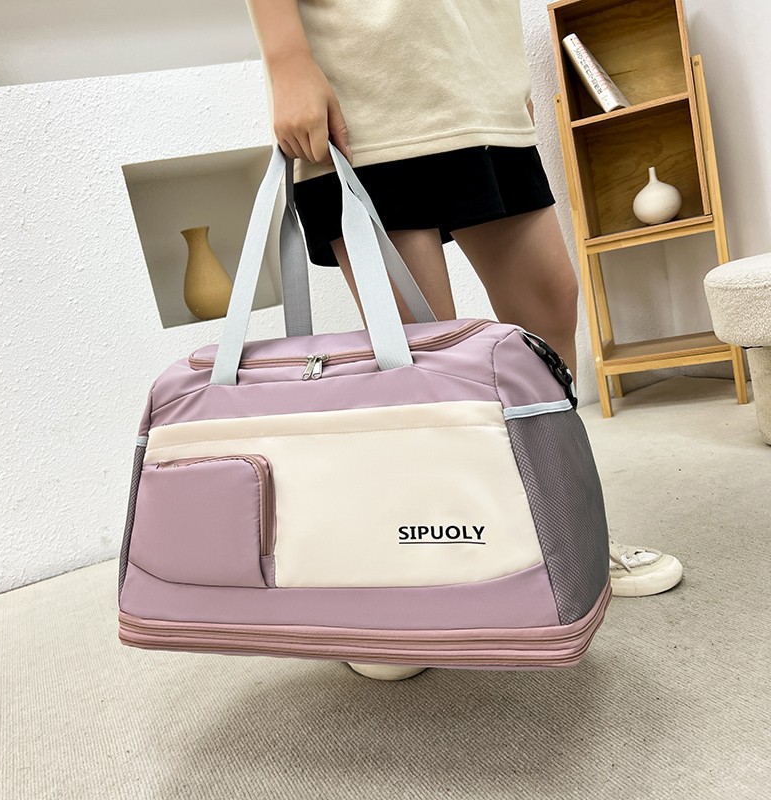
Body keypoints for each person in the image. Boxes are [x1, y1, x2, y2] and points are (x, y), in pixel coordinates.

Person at [245, 0, 684, 680]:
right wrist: (286, 60)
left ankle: (559, 540)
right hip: (365, 83)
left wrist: (502, 71)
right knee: (421, 357)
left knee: (548, 308)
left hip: (474, 77)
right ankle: (423, 577)